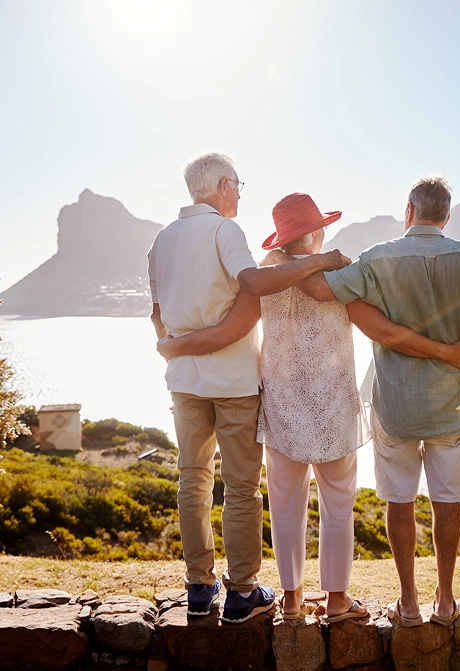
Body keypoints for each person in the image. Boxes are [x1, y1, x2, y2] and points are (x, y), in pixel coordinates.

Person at [158, 192, 460, 623]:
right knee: (338, 505)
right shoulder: (340, 274)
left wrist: (176, 344)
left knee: (285, 506)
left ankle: (290, 600)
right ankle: (338, 600)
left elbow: (237, 325)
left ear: (283, 236)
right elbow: (377, 326)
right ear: (318, 230)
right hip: (333, 410)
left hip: (282, 407)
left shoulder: (265, 273)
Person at [294, 176, 460, 627]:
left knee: (399, 502)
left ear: (408, 210)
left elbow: (322, 290)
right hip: (453, 405)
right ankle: (444, 600)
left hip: (395, 405)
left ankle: (409, 602)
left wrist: (298, 257)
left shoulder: (377, 258)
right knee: (447, 504)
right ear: (447, 216)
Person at [147, 153, 349, 624]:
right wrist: (323, 259)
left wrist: (173, 348)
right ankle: (241, 592)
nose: (239, 191)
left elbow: (157, 313)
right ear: (221, 185)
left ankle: (199, 587)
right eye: (237, 183)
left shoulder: (161, 240)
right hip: (234, 382)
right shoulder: (224, 231)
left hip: (183, 383)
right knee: (240, 488)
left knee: (191, 479)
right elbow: (253, 285)